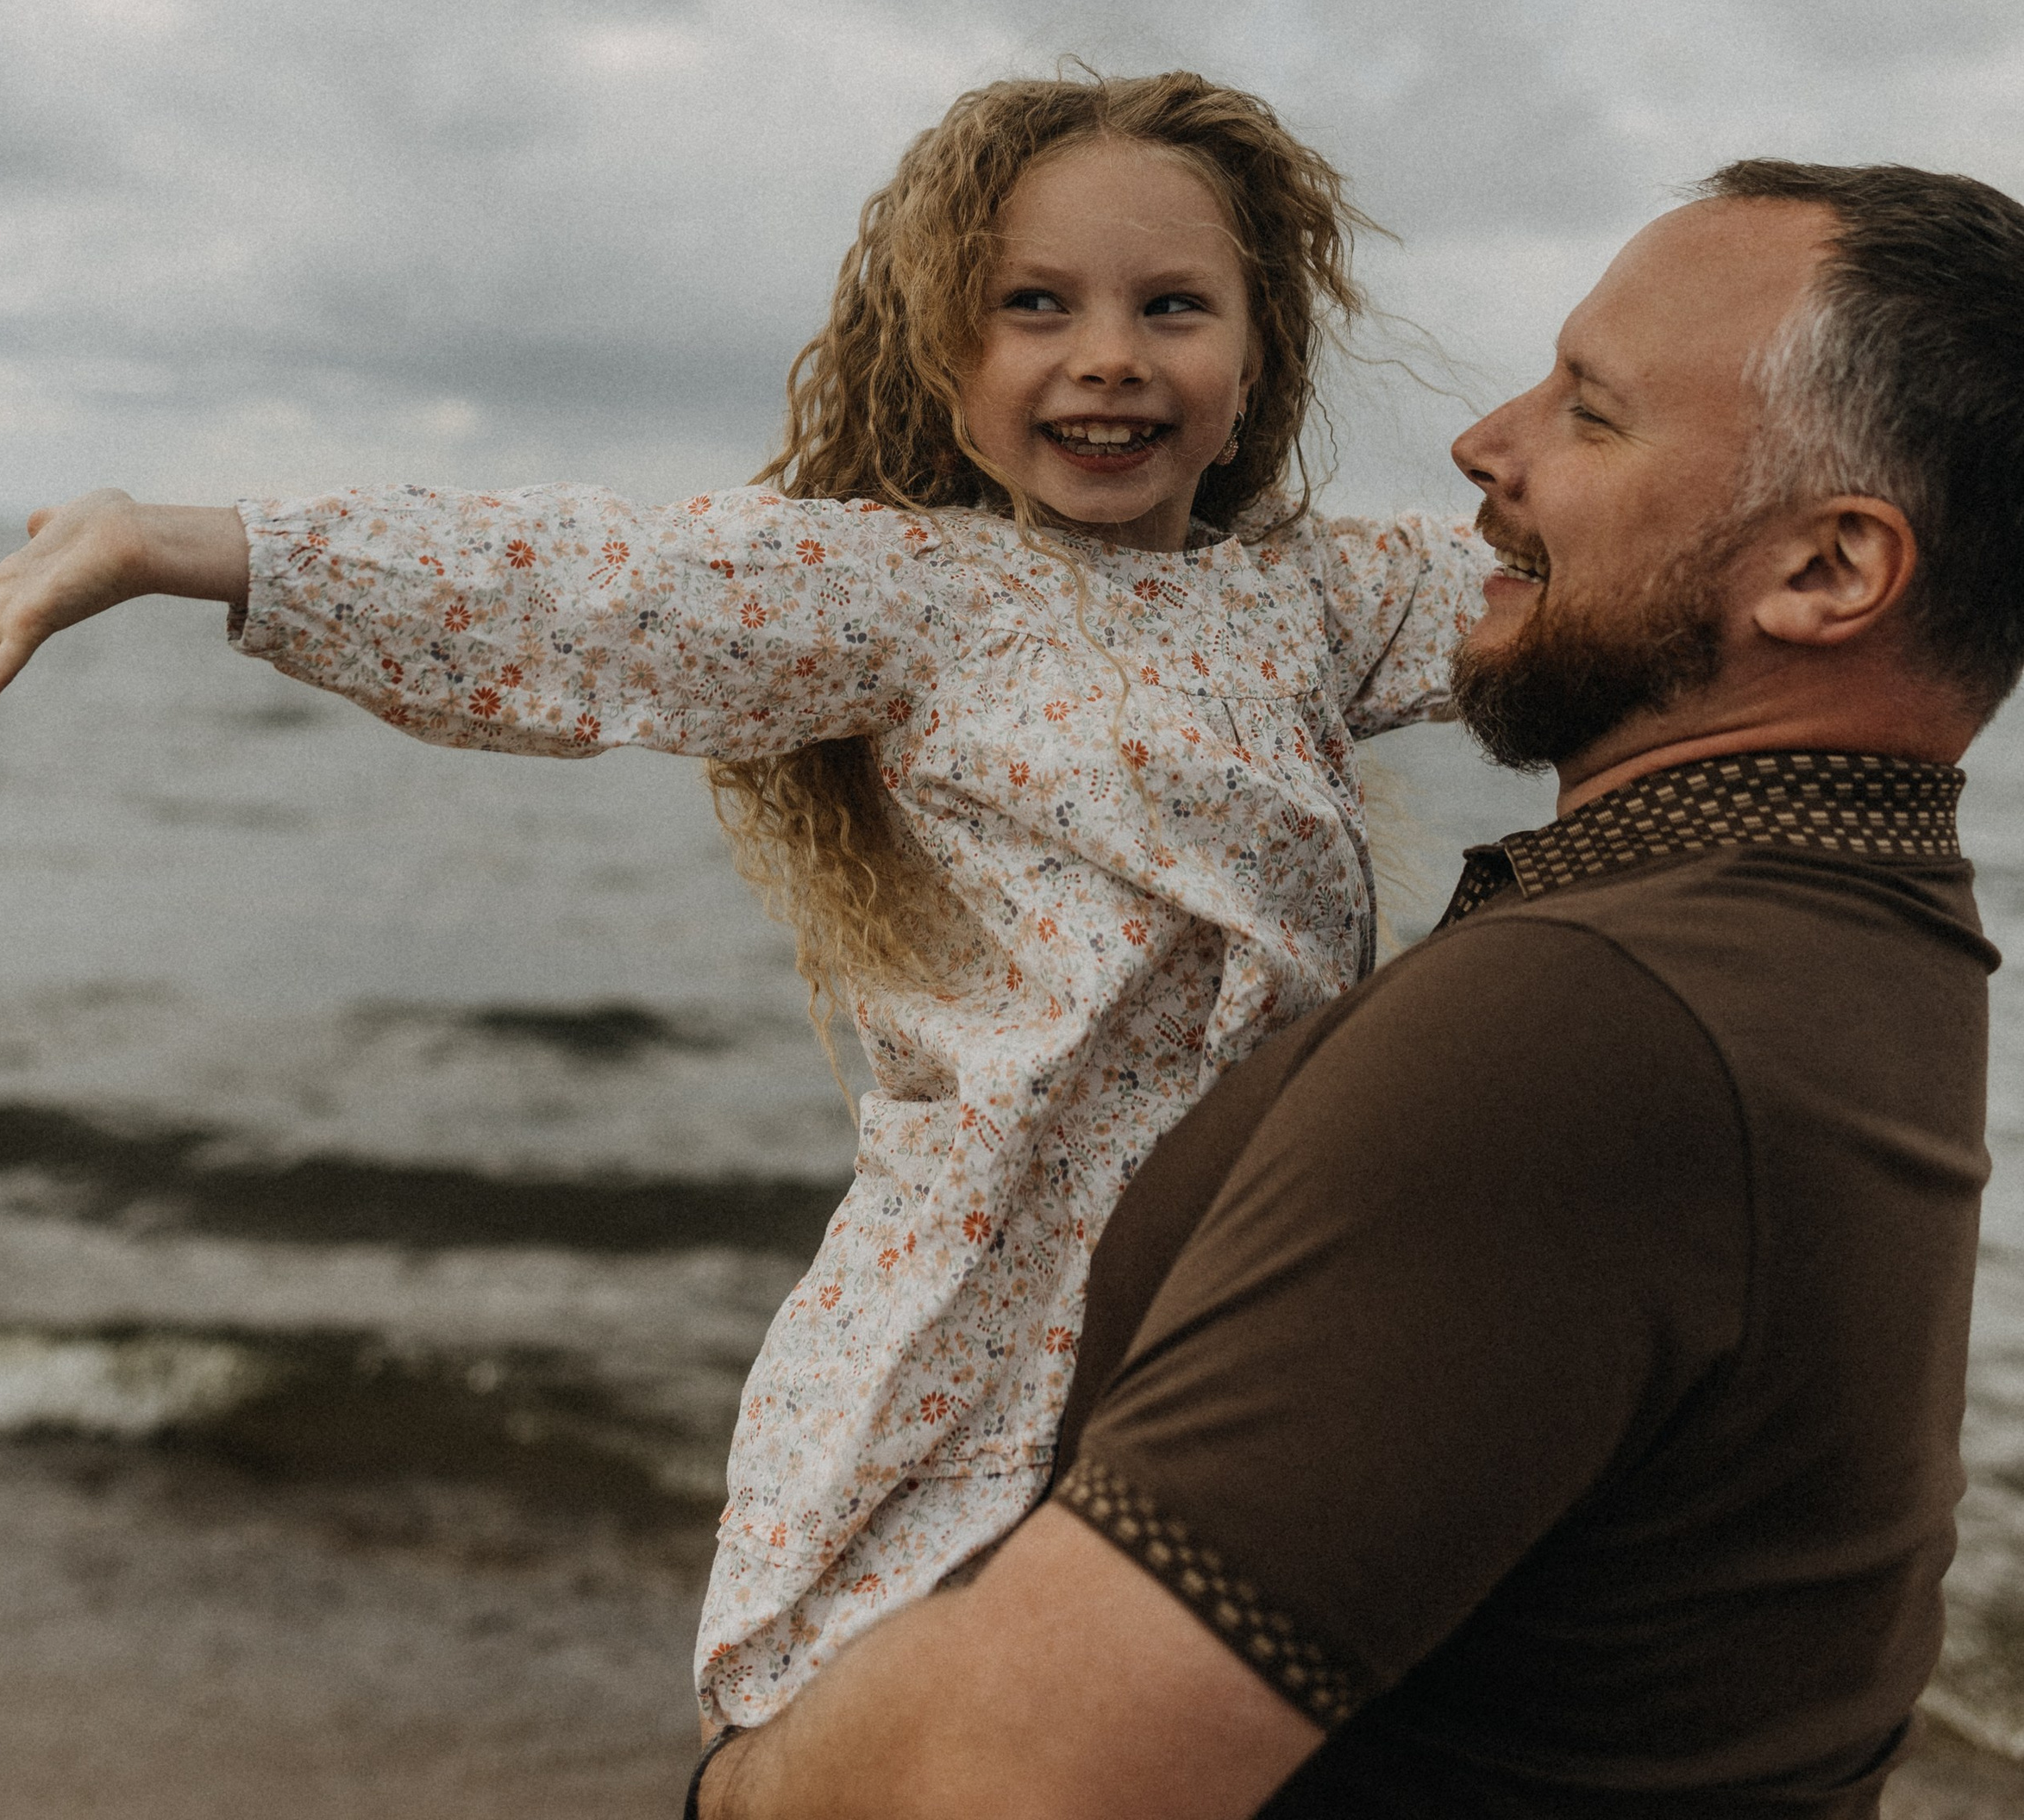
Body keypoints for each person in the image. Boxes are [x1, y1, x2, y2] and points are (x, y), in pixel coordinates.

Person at [0, 68, 1485, 1736]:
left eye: (1173, 306)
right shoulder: (913, 589)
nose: (1106, 353)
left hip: (1259, 1251)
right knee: (942, 1712)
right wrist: (170, 541)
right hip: (1004, 1274)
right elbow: (583, 585)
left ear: (1254, 364)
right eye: (1034, 307)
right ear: (951, 372)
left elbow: (1553, 585)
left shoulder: (1306, 596)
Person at [682, 158, 2016, 1818]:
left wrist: (739, 1788)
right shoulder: (1869, 936)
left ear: (1827, 573)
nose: (1485, 444)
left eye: (1590, 415)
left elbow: (1010, 1780)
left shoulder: (1587, 1027)